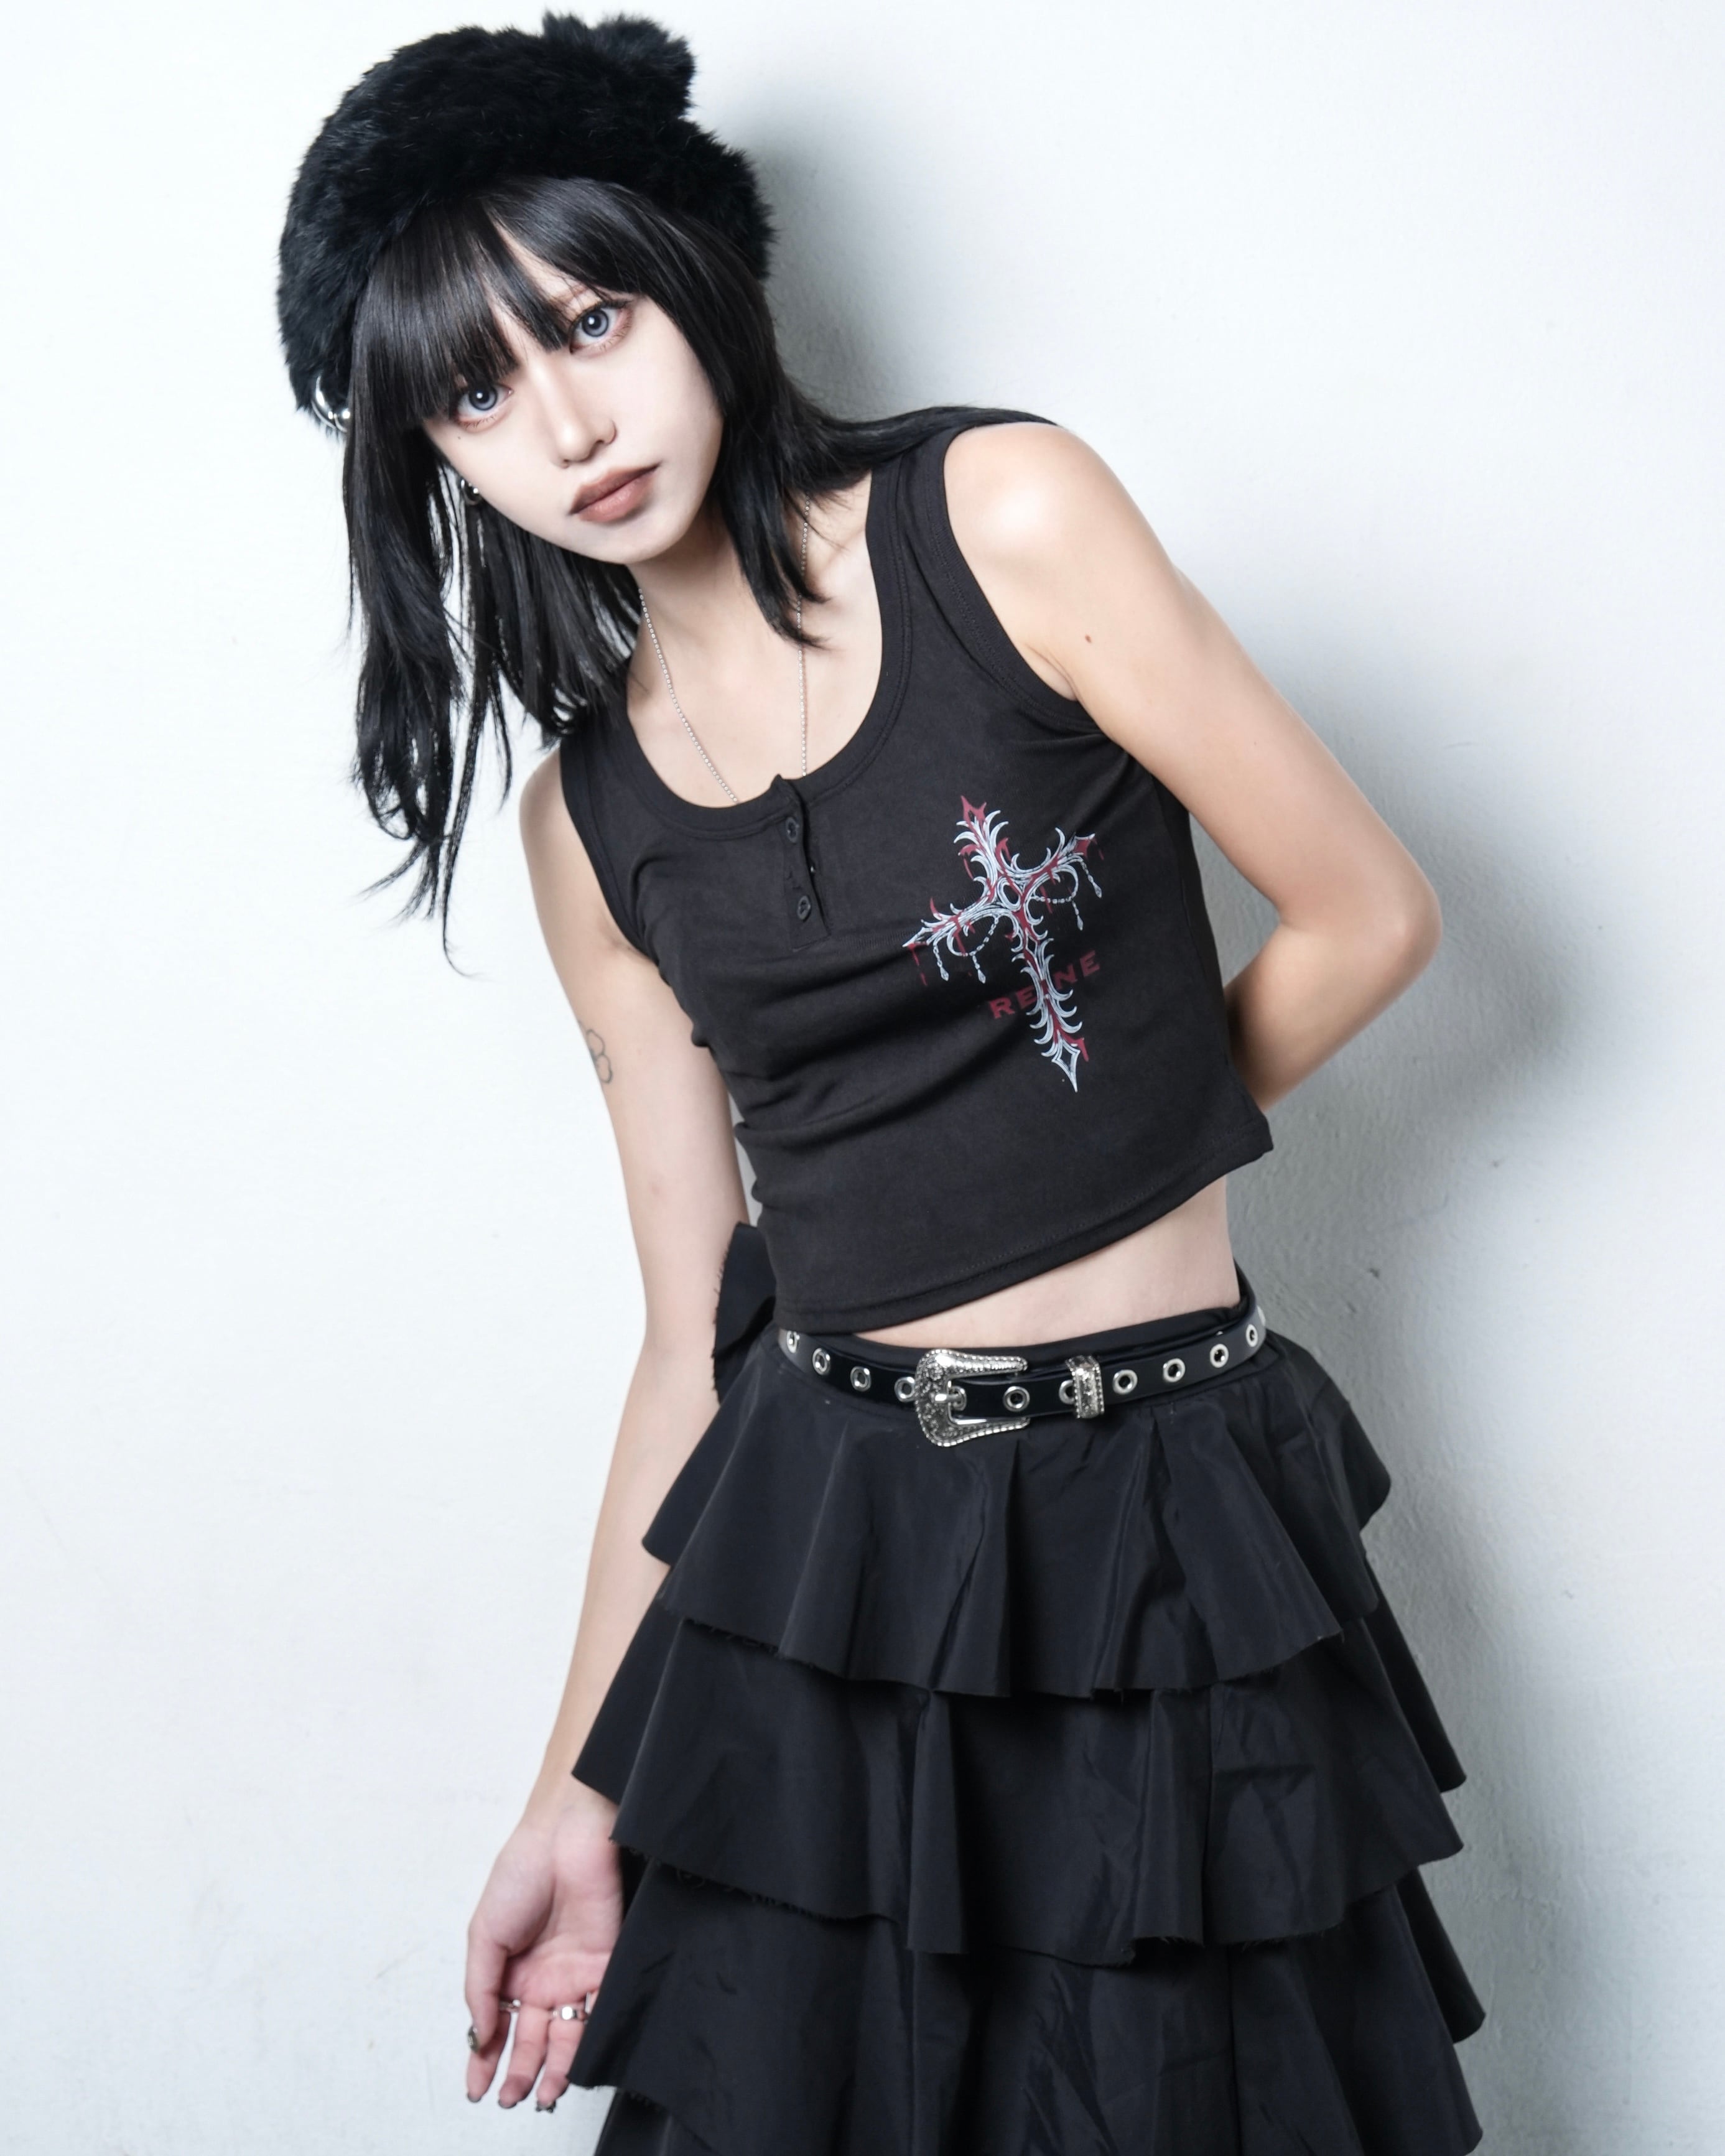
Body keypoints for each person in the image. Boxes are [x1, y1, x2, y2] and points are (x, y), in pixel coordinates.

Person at [278, 14, 1485, 2150]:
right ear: (431, 459)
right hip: (829, 1550)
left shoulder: (999, 517)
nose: (568, 423)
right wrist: (571, 1794)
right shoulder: (587, 826)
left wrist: (1094, 1147)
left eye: (590, 320)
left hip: (1167, 1507)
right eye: (476, 391)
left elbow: (1366, 912)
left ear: (693, 273)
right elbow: (689, 1337)